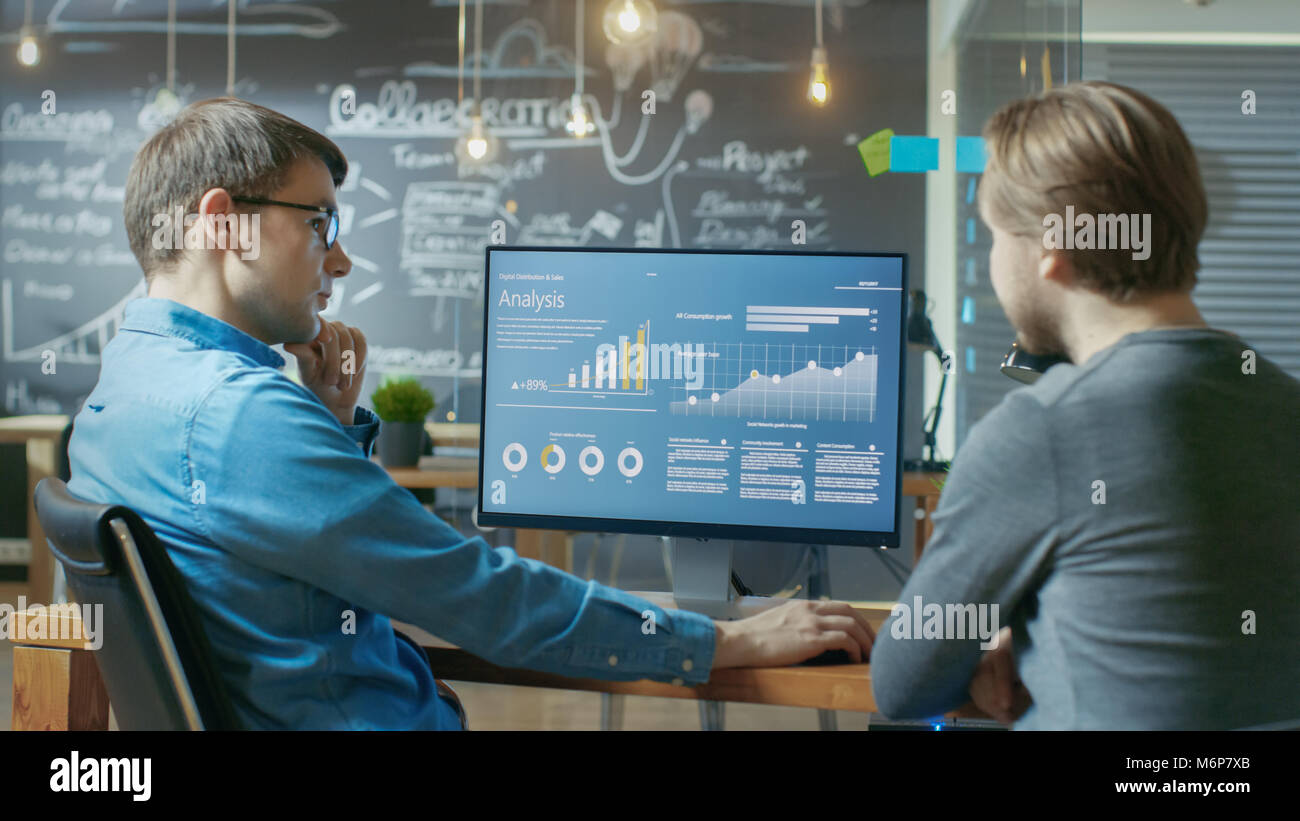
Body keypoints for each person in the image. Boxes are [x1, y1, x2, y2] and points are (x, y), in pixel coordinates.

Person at [67, 97, 874, 730]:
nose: (340, 261)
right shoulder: (240, 418)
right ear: (223, 223)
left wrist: (326, 422)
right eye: (319, 223)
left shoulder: (120, 393)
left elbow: (290, 564)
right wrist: (721, 639)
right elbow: (478, 594)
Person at [869, 81, 1300, 729]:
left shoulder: (1040, 431)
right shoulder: (1284, 407)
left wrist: (1007, 642)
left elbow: (903, 683)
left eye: (994, 235)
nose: (991, 261)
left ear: (1049, 249)